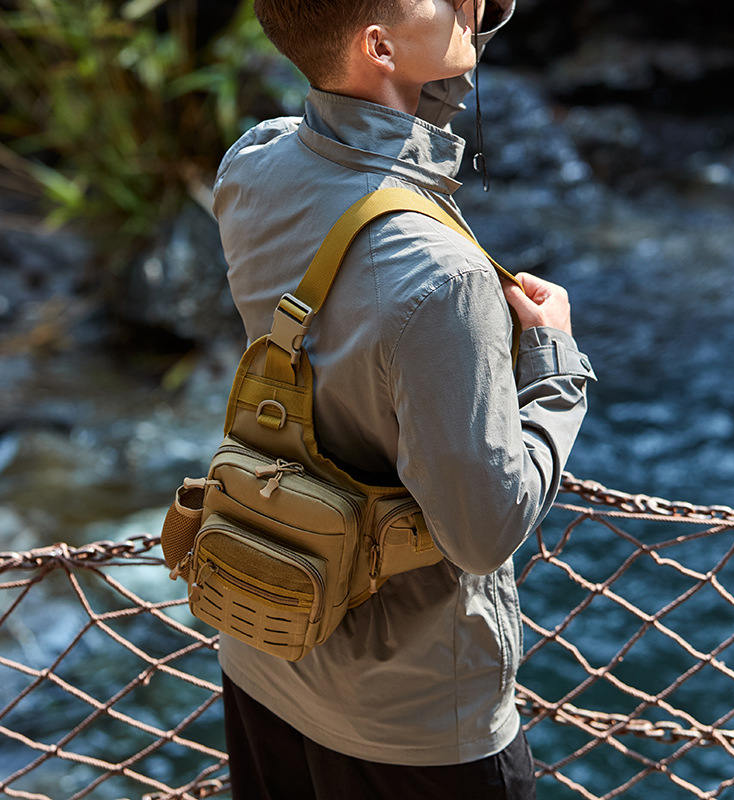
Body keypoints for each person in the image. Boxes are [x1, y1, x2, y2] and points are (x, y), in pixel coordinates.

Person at [211, 0, 595, 797]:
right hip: (415, 726)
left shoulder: (253, 164)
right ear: (379, 44)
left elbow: (382, 132)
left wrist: (468, 27)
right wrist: (555, 368)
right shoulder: (443, 276)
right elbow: (482, 531)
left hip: (265, 653)